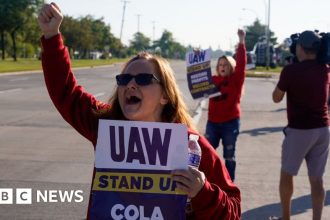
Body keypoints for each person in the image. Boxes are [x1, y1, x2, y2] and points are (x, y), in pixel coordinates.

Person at [37, 2, 241, 219]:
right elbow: (67, 93)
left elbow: (233, 211)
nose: (130, 85)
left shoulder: (191, 145)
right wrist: (51, 36)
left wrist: (202, 192)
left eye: (143, 79)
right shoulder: (105, 127)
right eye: (124, 79)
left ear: (165, 95)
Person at [272, 30, 330, 220]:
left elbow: (276, 98)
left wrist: (287, 74)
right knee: (317, 179)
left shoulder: (291, 71)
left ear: (300, 48)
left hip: (299, 131)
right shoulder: (325, 70)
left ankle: (286, 218)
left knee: (287, 175)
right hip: (322, 130)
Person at [205, 29, 247, 181]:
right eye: (220, 64)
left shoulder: (236, 80)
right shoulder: (212, 80)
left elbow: (242, 63)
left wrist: (241, 41)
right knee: (207, 152)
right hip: (213, 124)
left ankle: (230, 184)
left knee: (229, 156)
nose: (222, 66)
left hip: (230, 123)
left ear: (231, 66)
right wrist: (197, 58)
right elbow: (196, 77)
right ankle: (208, 182)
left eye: (225, 64)